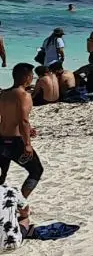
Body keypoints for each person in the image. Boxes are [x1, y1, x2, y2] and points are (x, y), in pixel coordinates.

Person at [0, 64, 44, 199]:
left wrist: (27, 129)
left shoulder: (4, 94)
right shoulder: (24, 95)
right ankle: (20, 203)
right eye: (31, 76)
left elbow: (7, 117)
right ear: (27, 77)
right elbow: (23, 120)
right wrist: (27, 144)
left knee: (2, 176)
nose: (32, 78)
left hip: (1, 139)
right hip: (15, 142)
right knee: (36, 171)